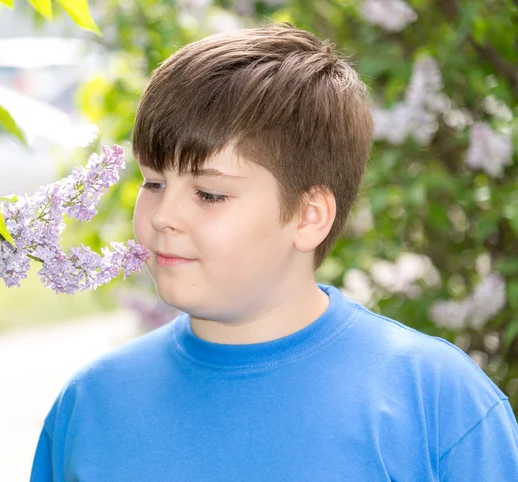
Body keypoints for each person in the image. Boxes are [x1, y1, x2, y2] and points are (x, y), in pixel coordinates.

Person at [30, 22, 518, 481]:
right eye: (153, 182)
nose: (161, 217)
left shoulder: (436, 403)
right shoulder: (91, 406)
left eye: (209, 194)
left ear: (308, 217)